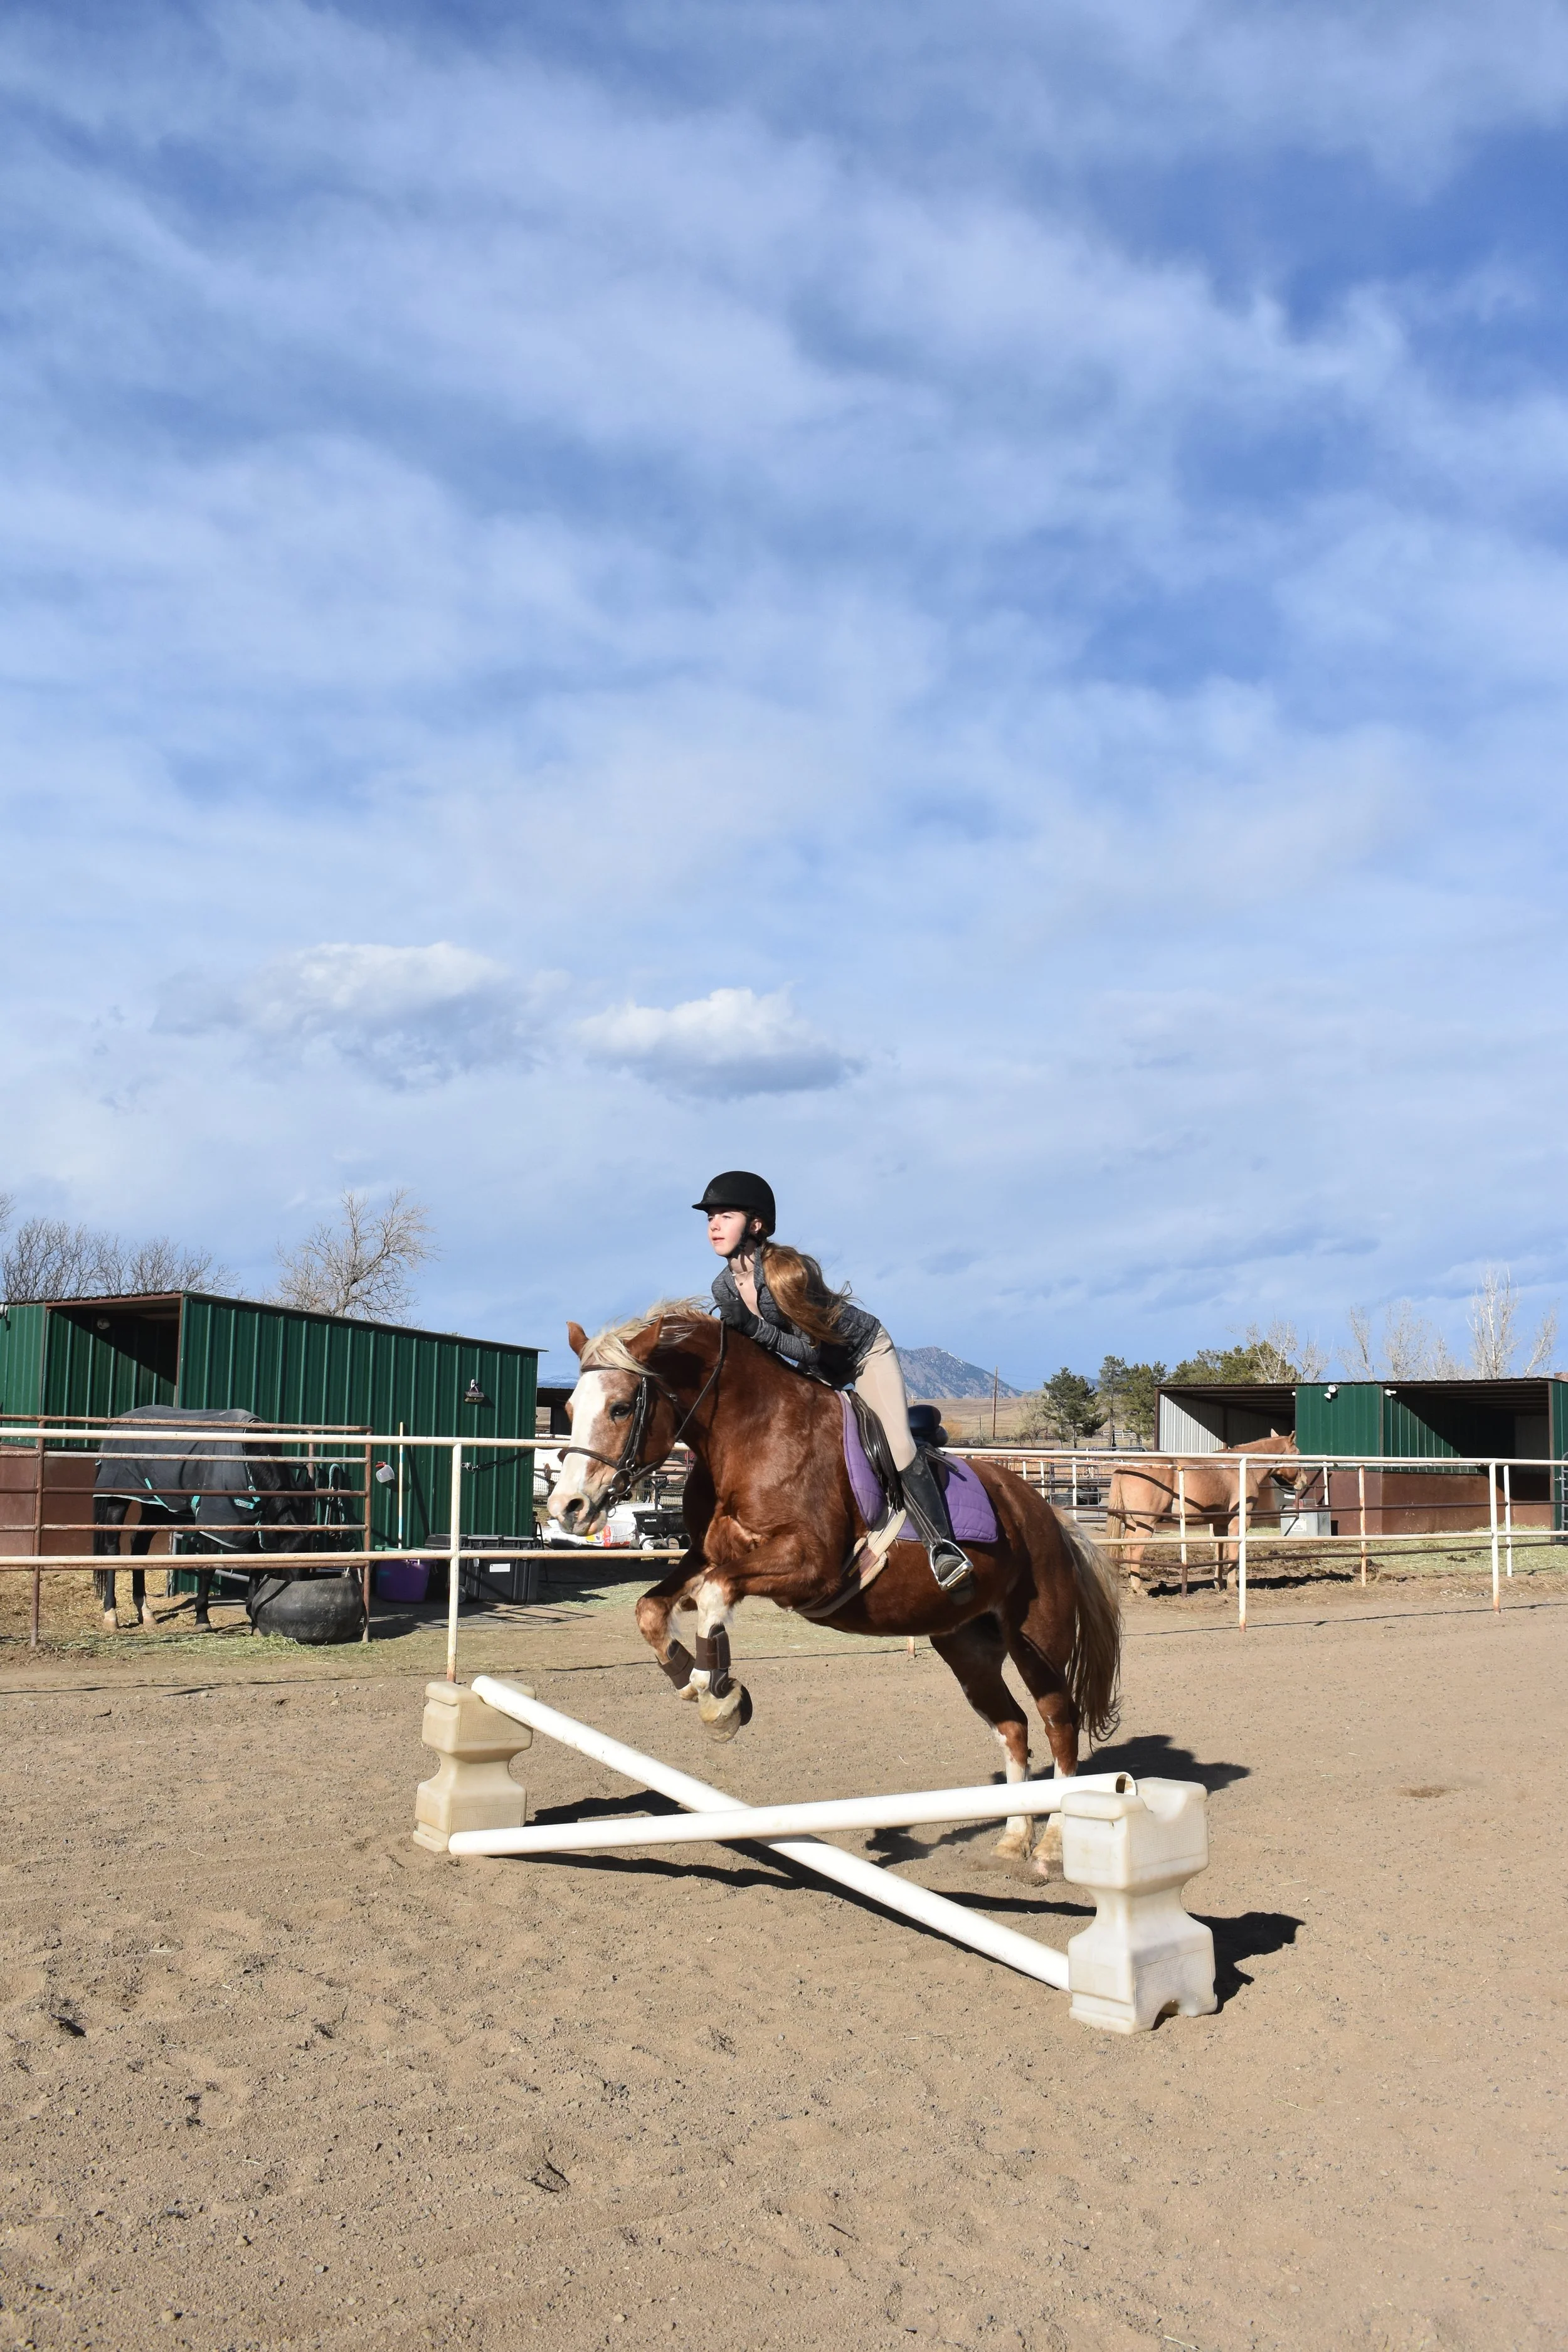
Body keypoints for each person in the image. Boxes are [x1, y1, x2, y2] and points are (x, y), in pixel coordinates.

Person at [693, 1170, 972, 1592]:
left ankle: (943, 1547)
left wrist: (750, 1326)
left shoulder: (787, 1273)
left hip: (861, 1356)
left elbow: (810, 1350)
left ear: (755, 1224)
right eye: (710, 1216)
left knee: (896, 1446)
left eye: (725, 1215)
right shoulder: (723, 1288)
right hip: (816, 1373)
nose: (713, 1224)